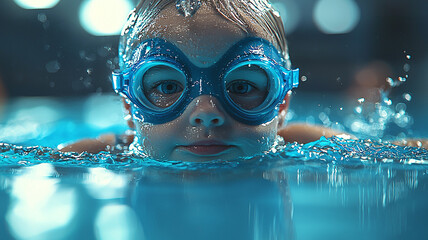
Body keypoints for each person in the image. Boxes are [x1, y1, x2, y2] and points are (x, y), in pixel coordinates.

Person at [58, 0, 362, 160]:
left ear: (281, 104)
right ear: (129, 106)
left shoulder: (302, 143)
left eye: (241, 87)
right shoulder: (104, 154)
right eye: (168, 87)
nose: (206, 113)